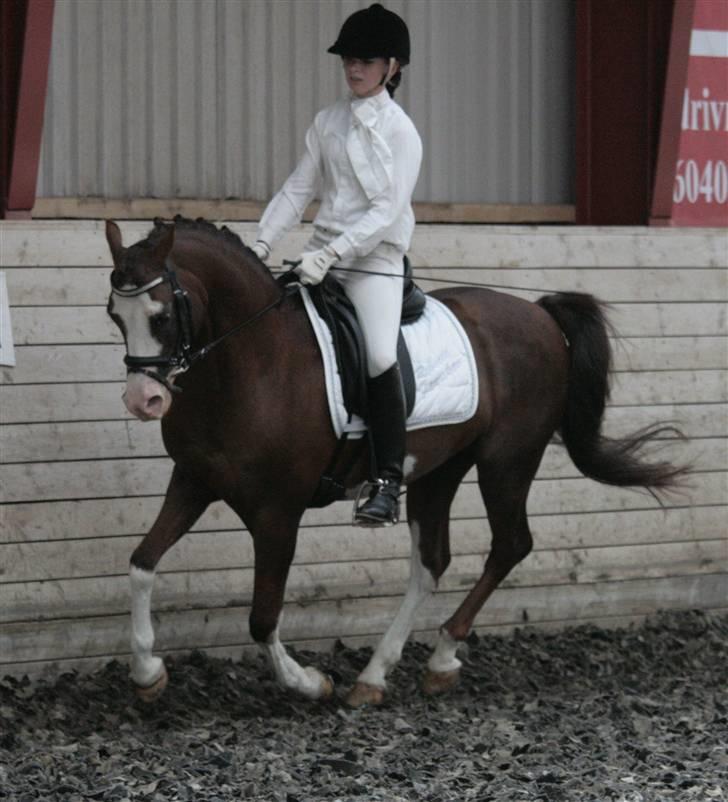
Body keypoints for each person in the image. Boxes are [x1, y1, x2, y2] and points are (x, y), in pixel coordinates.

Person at [251, 3, 422, 527]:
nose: (353, 68)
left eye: (366, 60)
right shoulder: (327, 122)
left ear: (392, 66)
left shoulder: (402, 133)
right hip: (322, 257)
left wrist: (328, 255)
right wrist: (258, 245)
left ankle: (388, 481)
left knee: (375, 354)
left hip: (374, 261)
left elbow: (386, 211)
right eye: (348, 58)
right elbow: (297, 189)